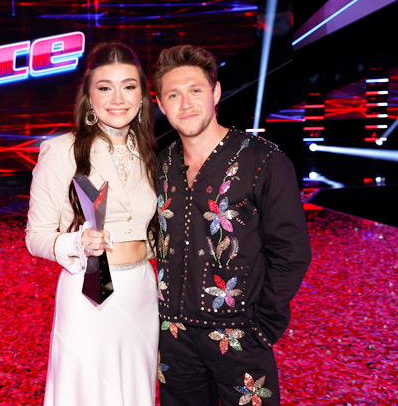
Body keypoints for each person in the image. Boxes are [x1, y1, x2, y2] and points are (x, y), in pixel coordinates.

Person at [152, 45, 311, 406]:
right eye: (173, 95)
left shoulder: (263, 161)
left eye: (195, 90)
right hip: (173, 338)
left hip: (240, 337)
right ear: (161, 104)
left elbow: (292, 252)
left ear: (216, 93)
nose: (186, 103)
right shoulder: (161, 164)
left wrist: (262, 327)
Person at [25, 42, 159, 406]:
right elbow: (36, 236)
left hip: (141, 292)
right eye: (105, 87)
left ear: (142, 96)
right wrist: (77, 243)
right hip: (90, 293)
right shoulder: (61, 150)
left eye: (128, 86)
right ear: (89, 97)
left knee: (135, 390)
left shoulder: (151, 154)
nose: (118, 98)